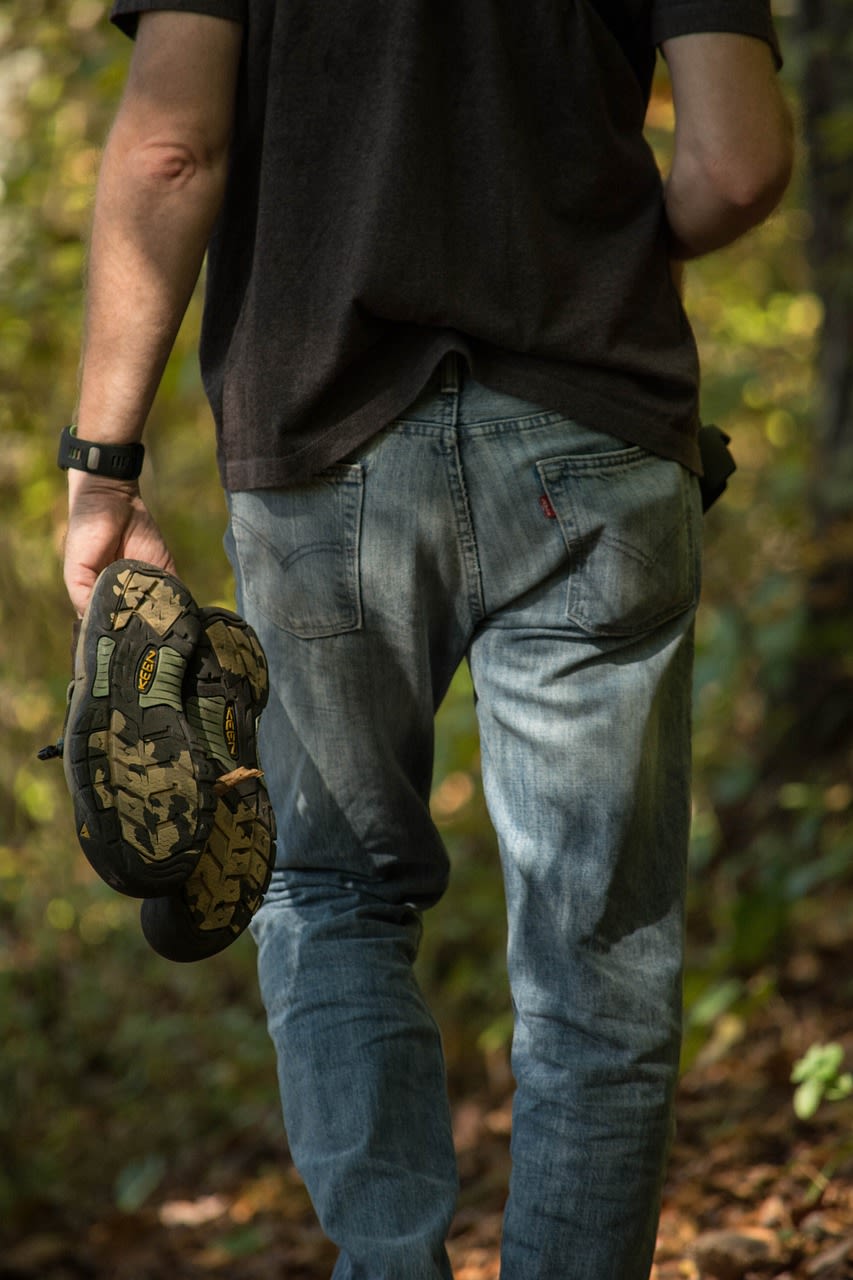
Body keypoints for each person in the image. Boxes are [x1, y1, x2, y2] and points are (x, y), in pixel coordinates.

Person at [61, 3, 793, 1276]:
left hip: (318, 437)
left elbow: (171, 148)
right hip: (591, 426)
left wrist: (103, 469)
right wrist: (607, 254)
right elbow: (737, 162)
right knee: (595, 950)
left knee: (330, 887)